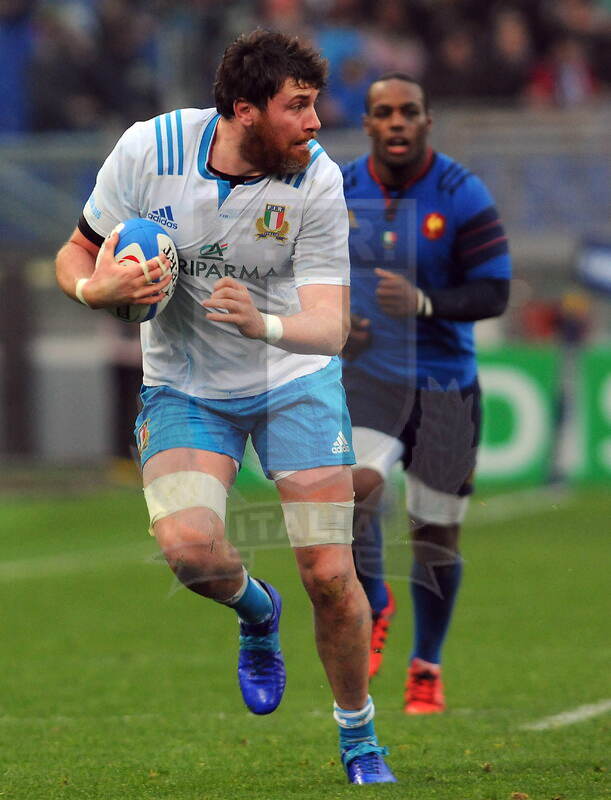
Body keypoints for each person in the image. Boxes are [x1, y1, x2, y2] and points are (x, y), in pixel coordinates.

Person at [55, 30, 395, 785]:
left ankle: (359, 736)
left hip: (294, 378)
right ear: (245, 110)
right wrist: (94, 288)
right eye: (297, 106)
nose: (315, 122)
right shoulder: (150, 150)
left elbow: (330, 327)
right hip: (185, 384)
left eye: (314, 105)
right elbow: (75, 251)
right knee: (189, 552)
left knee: (329, 573)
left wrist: (261, 324)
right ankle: (257, 611)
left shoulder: (316, 179)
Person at [341, 72, 511, 713]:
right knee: (354, 489)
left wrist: (425, 302)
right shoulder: (340, 189)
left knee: (435, 536)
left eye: (408, 111)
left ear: (426, 121)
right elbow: (310, 273)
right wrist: (341, 326)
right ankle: (374, 603)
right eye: (384, 112)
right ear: (368, 123)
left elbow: (494, 291)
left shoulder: (462, 194)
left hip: (446, 389)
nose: (397, 122)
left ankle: (427, 665)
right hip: (371, 380)